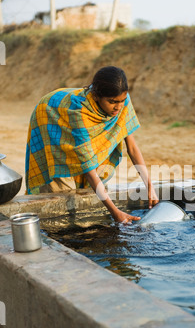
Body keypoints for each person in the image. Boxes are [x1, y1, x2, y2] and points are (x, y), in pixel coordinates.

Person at [25, 66, 159, 224]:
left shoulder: (122, 102)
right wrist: (115, 212)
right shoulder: (79, 113)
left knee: (92, 178)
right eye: (112, 102)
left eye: (121, 101)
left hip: (70, 116)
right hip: (50, 116)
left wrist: (149, 186)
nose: (118, 107)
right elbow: (87, 167)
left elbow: (132, 148)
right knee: (60, 188)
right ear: (95, 96)